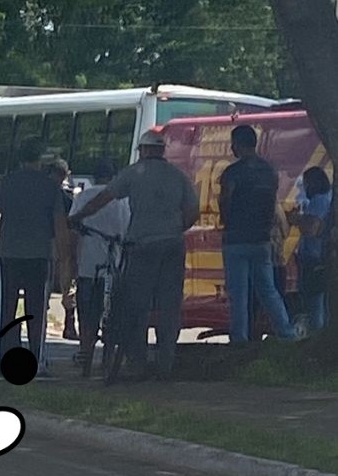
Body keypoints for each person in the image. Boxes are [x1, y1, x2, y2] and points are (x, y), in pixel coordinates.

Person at [70, 130, 200, 380]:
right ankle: (166, 364)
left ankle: (137, 362)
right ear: (161, 150)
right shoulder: (178, 176)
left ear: (143, 150)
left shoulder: (134, 172)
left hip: (142, 245)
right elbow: (193, 210)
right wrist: (175, 229)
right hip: (173, 245)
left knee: (137, 304)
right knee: (169, 305)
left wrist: (78, 216)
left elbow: (104, 197)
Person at [0, 136, 74, 377]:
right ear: (40, 160)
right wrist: (65, 258)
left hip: (9, 253)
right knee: (37, 309)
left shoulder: (6, 183)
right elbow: (60, 226)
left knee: (5, 309)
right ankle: (38, 361)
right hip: (40, 255)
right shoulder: (50, 187)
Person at [218, 125, 299, 343]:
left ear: (238, 144)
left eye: (233, 143)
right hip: (262, 239)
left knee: (239, 293)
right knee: (268, 289)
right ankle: (286, 333)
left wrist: (228, 221)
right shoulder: (269, 170)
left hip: (236, 238)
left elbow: (225, 200)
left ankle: (239, 338)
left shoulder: (232, 173)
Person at [68, 159, 130, 369]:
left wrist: (71, 263)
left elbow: (73, 230)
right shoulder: (124, 200)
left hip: (88, 264)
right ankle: (109, 355)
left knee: (86, 312)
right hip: (116, 264)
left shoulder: (83, 197)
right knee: (115, 310)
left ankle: (85, 351)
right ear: (114, 177)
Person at [288, 166, 332, 332]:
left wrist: (296, 219)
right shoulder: (327, 198)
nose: (304, 189)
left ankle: (315, 335)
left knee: (315, 304)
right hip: (316, 258)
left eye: (305, 184)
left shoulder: (319, 200)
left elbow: (311, 229)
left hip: (314, 258)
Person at [44, 157, 78, 340]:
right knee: (66, 287)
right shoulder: (65, 198)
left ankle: (66, 322)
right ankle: (69, 324)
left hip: (47, 243)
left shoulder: (41, 194)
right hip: (59, 245)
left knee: (47, 286)